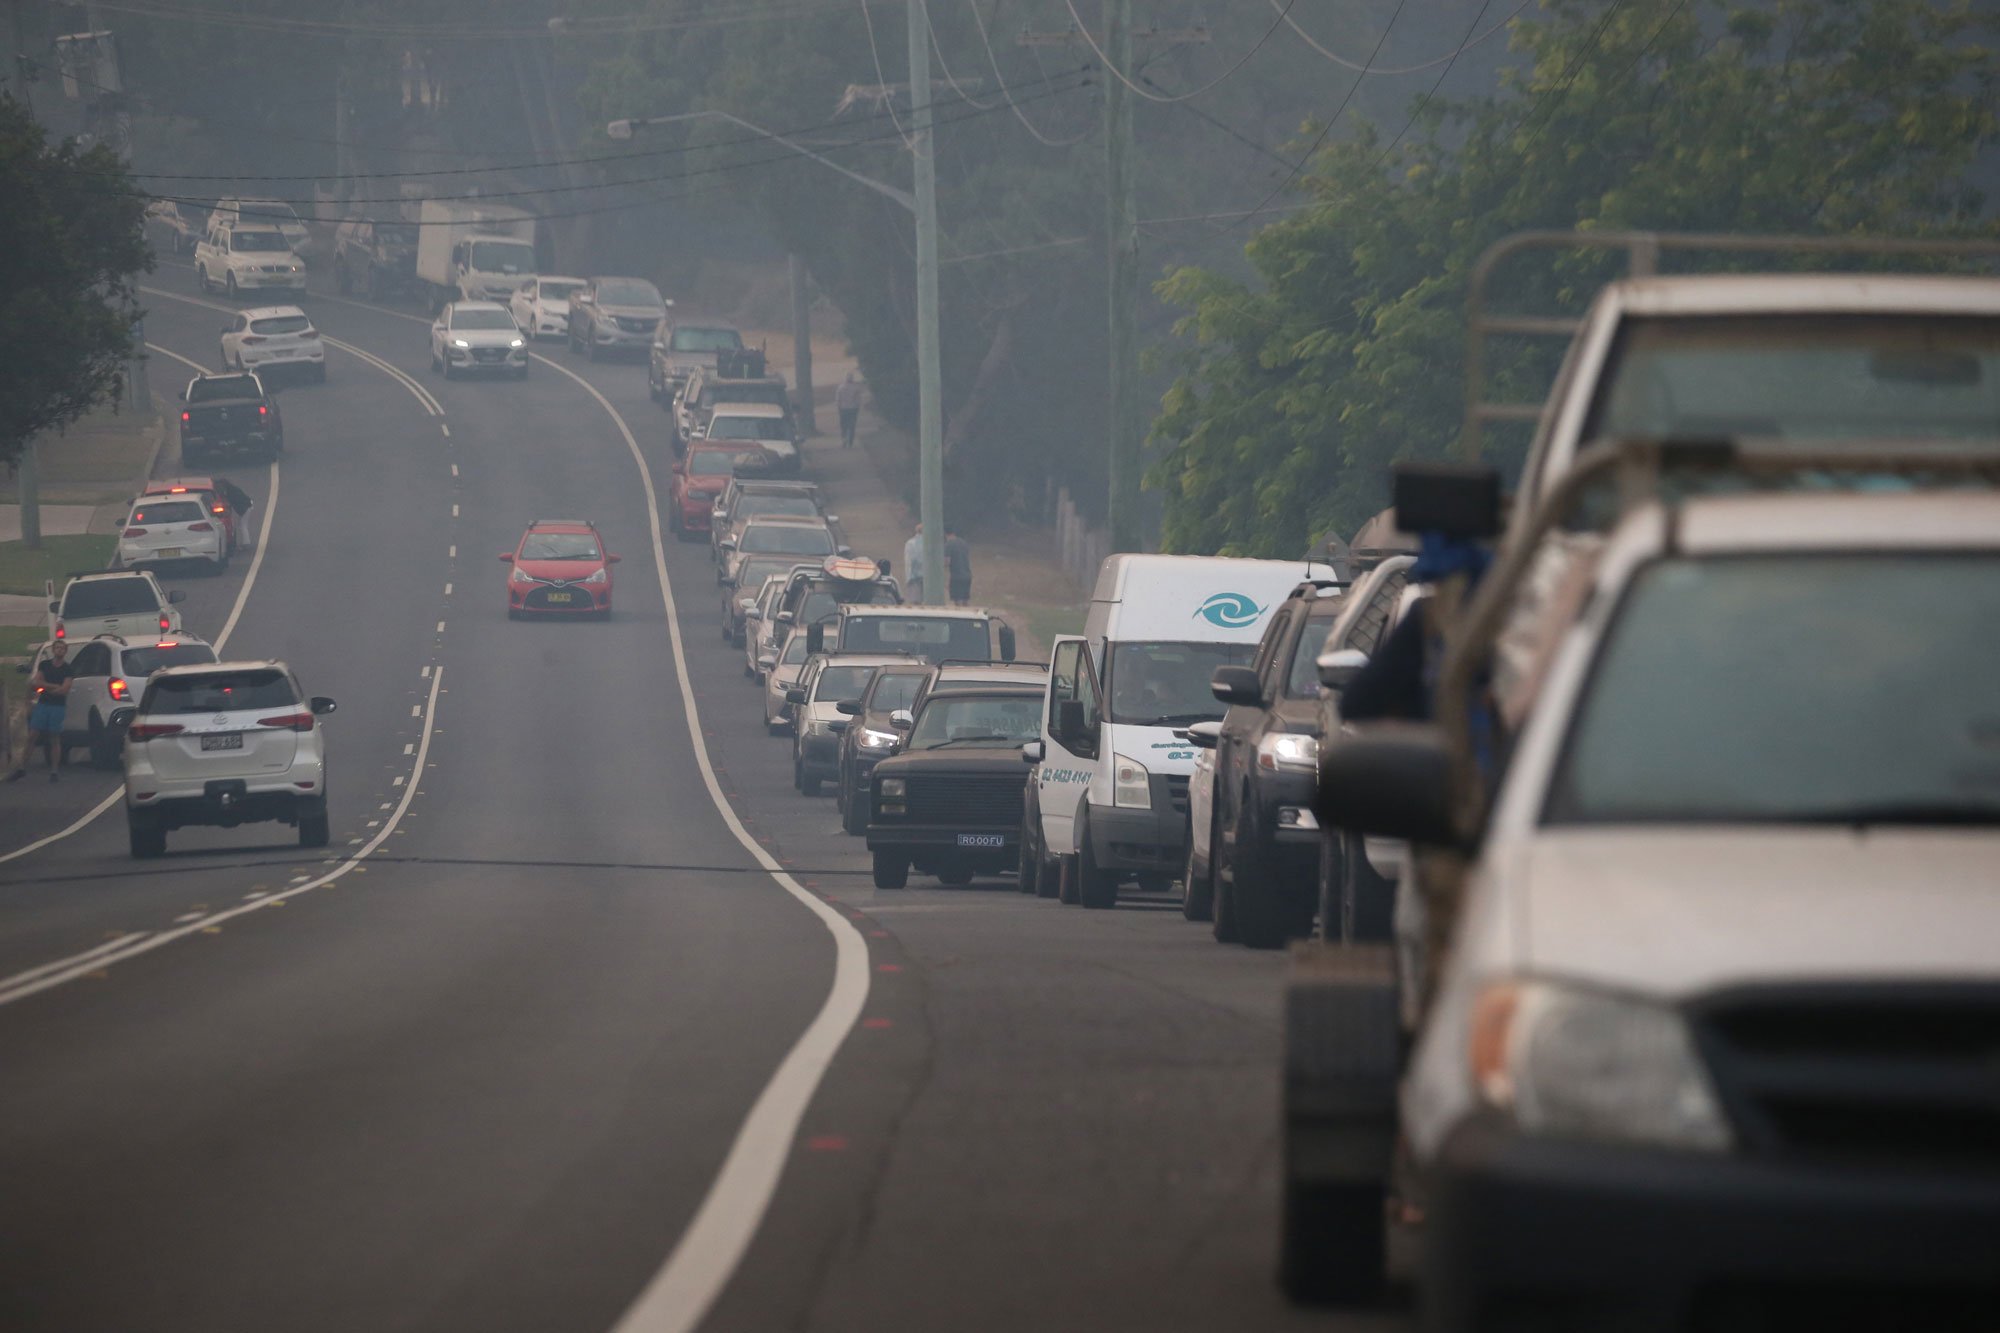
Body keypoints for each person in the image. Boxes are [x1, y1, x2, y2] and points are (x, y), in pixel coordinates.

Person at [21, 641, 76, 782]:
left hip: (58, 707)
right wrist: (53, 686)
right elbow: (36, 683)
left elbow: (64, 690)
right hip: (43, 705)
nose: (60, 650)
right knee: (32, 735)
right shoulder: (44, 665)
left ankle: (54, 771)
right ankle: (21, 767)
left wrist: (46, 687)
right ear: (53, 650)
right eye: (57, 648)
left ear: (65, 651)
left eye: (62, 648)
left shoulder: (68, 669)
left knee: (54, 738)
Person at [944, 527, 972, 606]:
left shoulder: (948, 545)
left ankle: (960, 616)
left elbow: (947, 562)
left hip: (956, 576)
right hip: (967, 575)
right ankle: (967, 616)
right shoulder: (963, 542)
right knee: (965, 600)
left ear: (945, 534)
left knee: (958, 600)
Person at [835, 372, 864, 449]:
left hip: (843, 409)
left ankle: (844, 439)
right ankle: (850, 442)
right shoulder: (856, 388)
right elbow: (858, 399)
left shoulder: (841, 387)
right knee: (852, 426)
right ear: (852, 379)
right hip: (853, 409)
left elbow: (838, 399)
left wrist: (839, 407)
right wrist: (858, 407)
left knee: (843, 425)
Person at [902, 523, 925, 603]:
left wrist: (908, 577)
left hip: (914, 577)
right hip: (929, 578)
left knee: (915, 601)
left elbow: (908, 562)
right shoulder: (931, 543)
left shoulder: (910, 543)